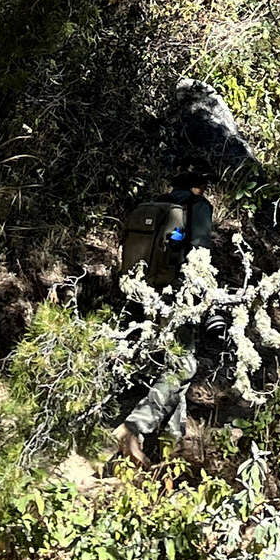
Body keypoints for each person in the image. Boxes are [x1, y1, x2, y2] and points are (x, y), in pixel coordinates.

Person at [113, 174, 215, 465]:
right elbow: (199, 255)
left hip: (146, 294)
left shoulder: (158, 205)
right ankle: (134, 428)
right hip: (178, 298)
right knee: (184, 365)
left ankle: (170, 448)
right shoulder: (198, 207)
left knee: (172, 363)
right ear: (199, 184)